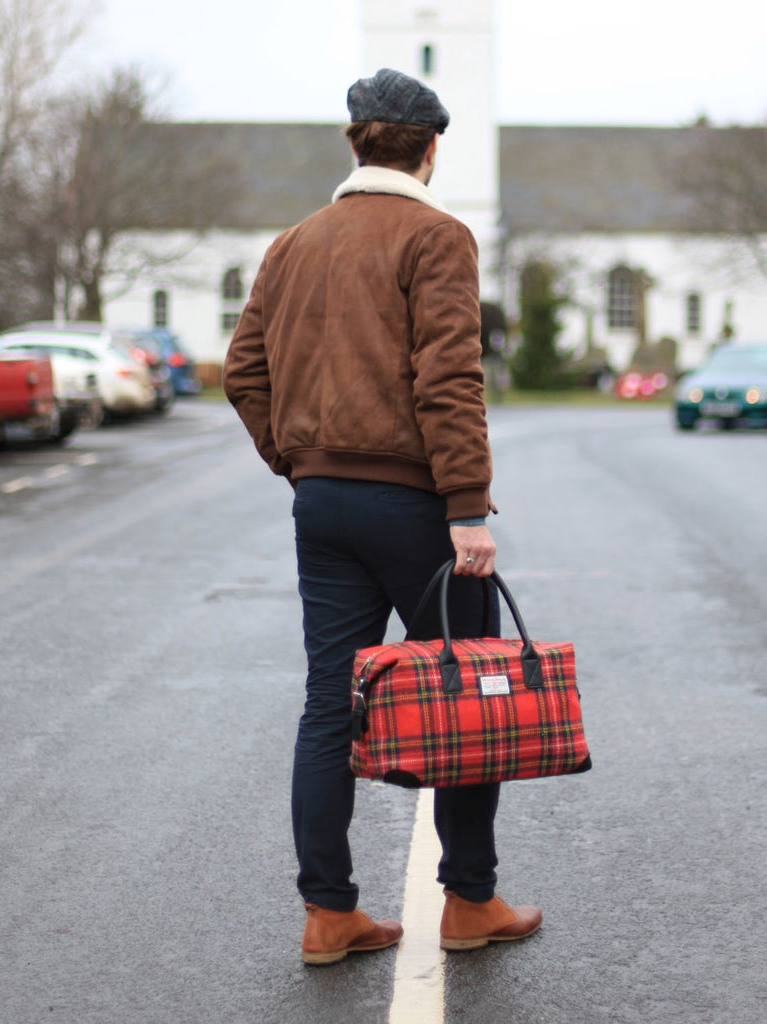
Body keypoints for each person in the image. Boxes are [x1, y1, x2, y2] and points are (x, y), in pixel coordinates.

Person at [223, 67, 541, 966]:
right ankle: (469, 901)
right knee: (466, 688)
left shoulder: (293, 242)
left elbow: (242, 372)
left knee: (331, 701)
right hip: (413, 505)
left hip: (321, 503)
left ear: (353, 141)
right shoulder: (437, 236)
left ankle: (329, 915)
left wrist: (298, 462)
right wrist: (467, 508)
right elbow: (449, 378)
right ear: (430, 149)